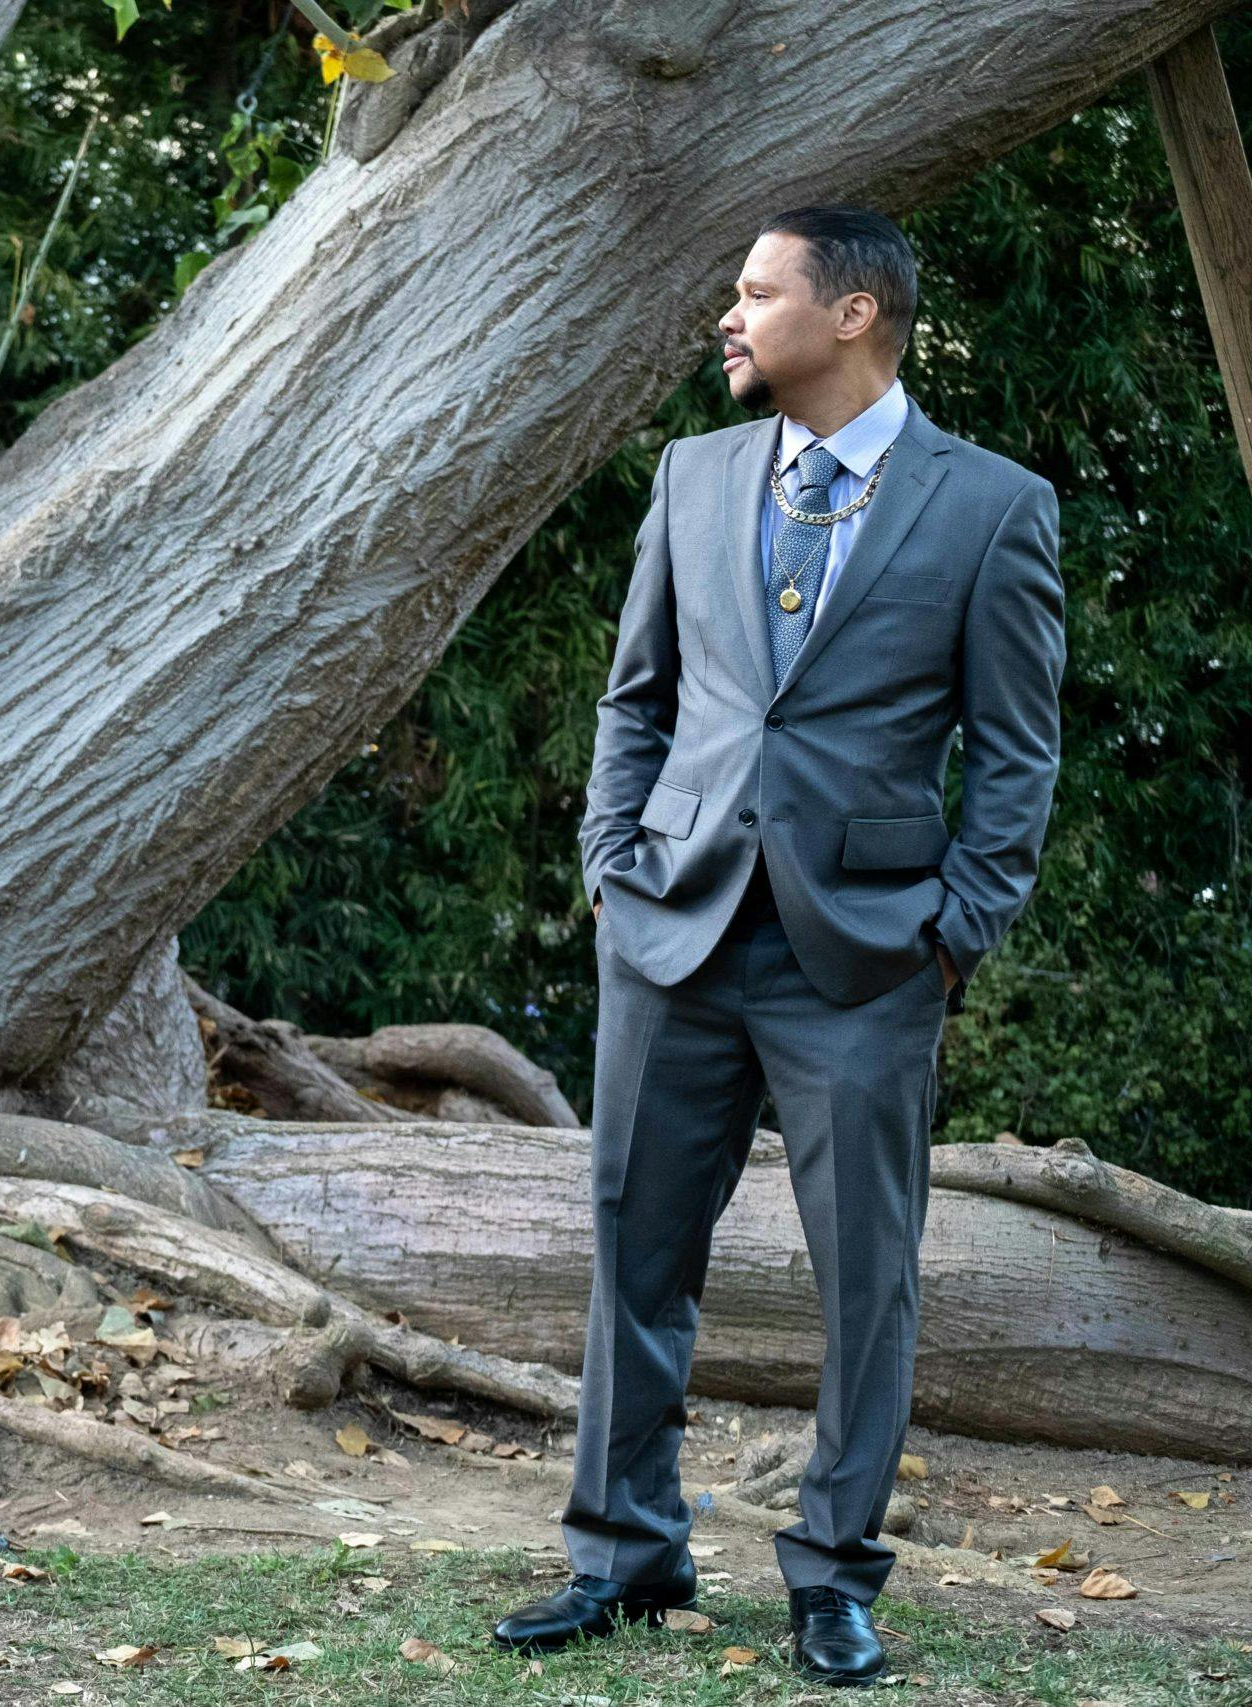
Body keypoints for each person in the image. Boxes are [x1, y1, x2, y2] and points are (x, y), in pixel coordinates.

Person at [493, 205, 1065, 1684]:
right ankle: (623, 1560)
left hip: (869, 959)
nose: (731, 316)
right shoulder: (691, 477)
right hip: (670, 933)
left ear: (856, 311)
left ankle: (831, 1579)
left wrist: (955, 937)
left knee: (865, 1280)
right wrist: (612, 877)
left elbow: (1016, 757)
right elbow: (639, 698)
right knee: (635, 1252)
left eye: (758, 290)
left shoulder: (994, 508)